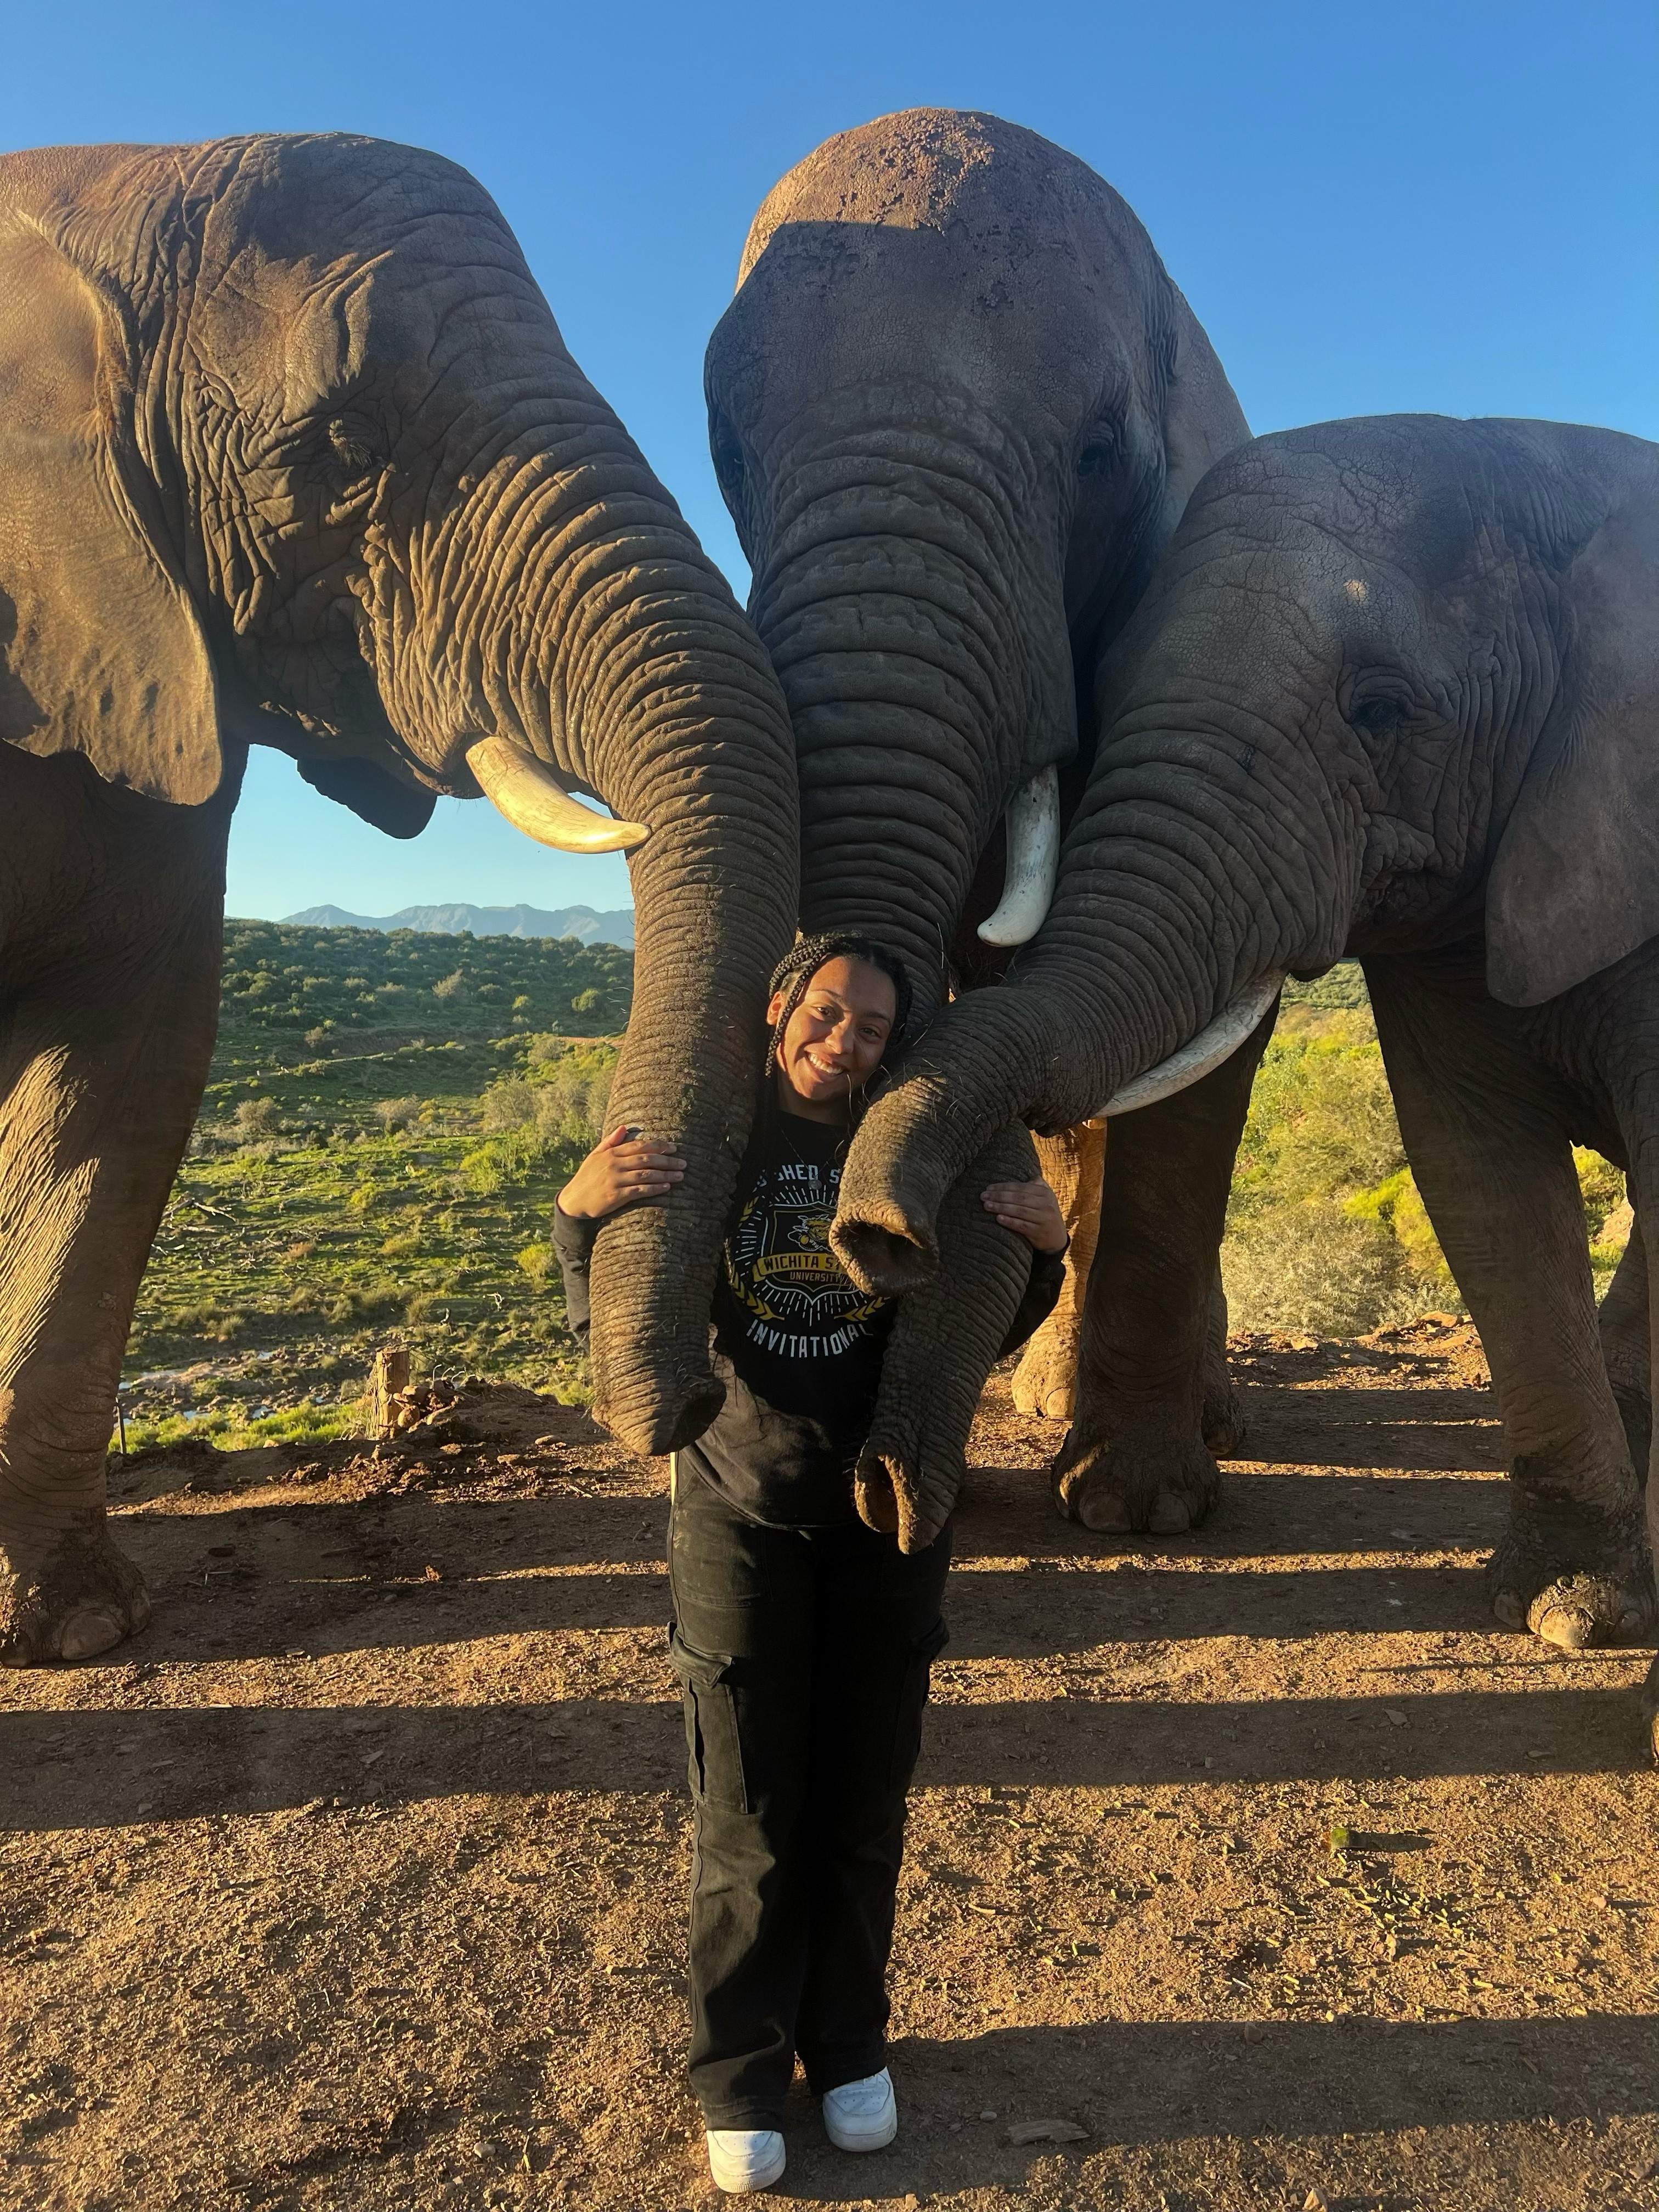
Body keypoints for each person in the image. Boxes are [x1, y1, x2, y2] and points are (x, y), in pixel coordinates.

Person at [554, 933, 1068, 2196]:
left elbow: (974, 1329)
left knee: (863, 1804)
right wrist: (577, 1214)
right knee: (749, 1815)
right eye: (829, 1013)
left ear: (899, 1046)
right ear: (783, 1008)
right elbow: (619, 1312)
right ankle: (739, 2073)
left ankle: (848, 2052)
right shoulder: (719, 1137)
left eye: (875, 1027)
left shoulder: (913, 1146)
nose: (845, 1039)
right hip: (736, 1517)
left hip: (889, 1521)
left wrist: (1047, 1254)